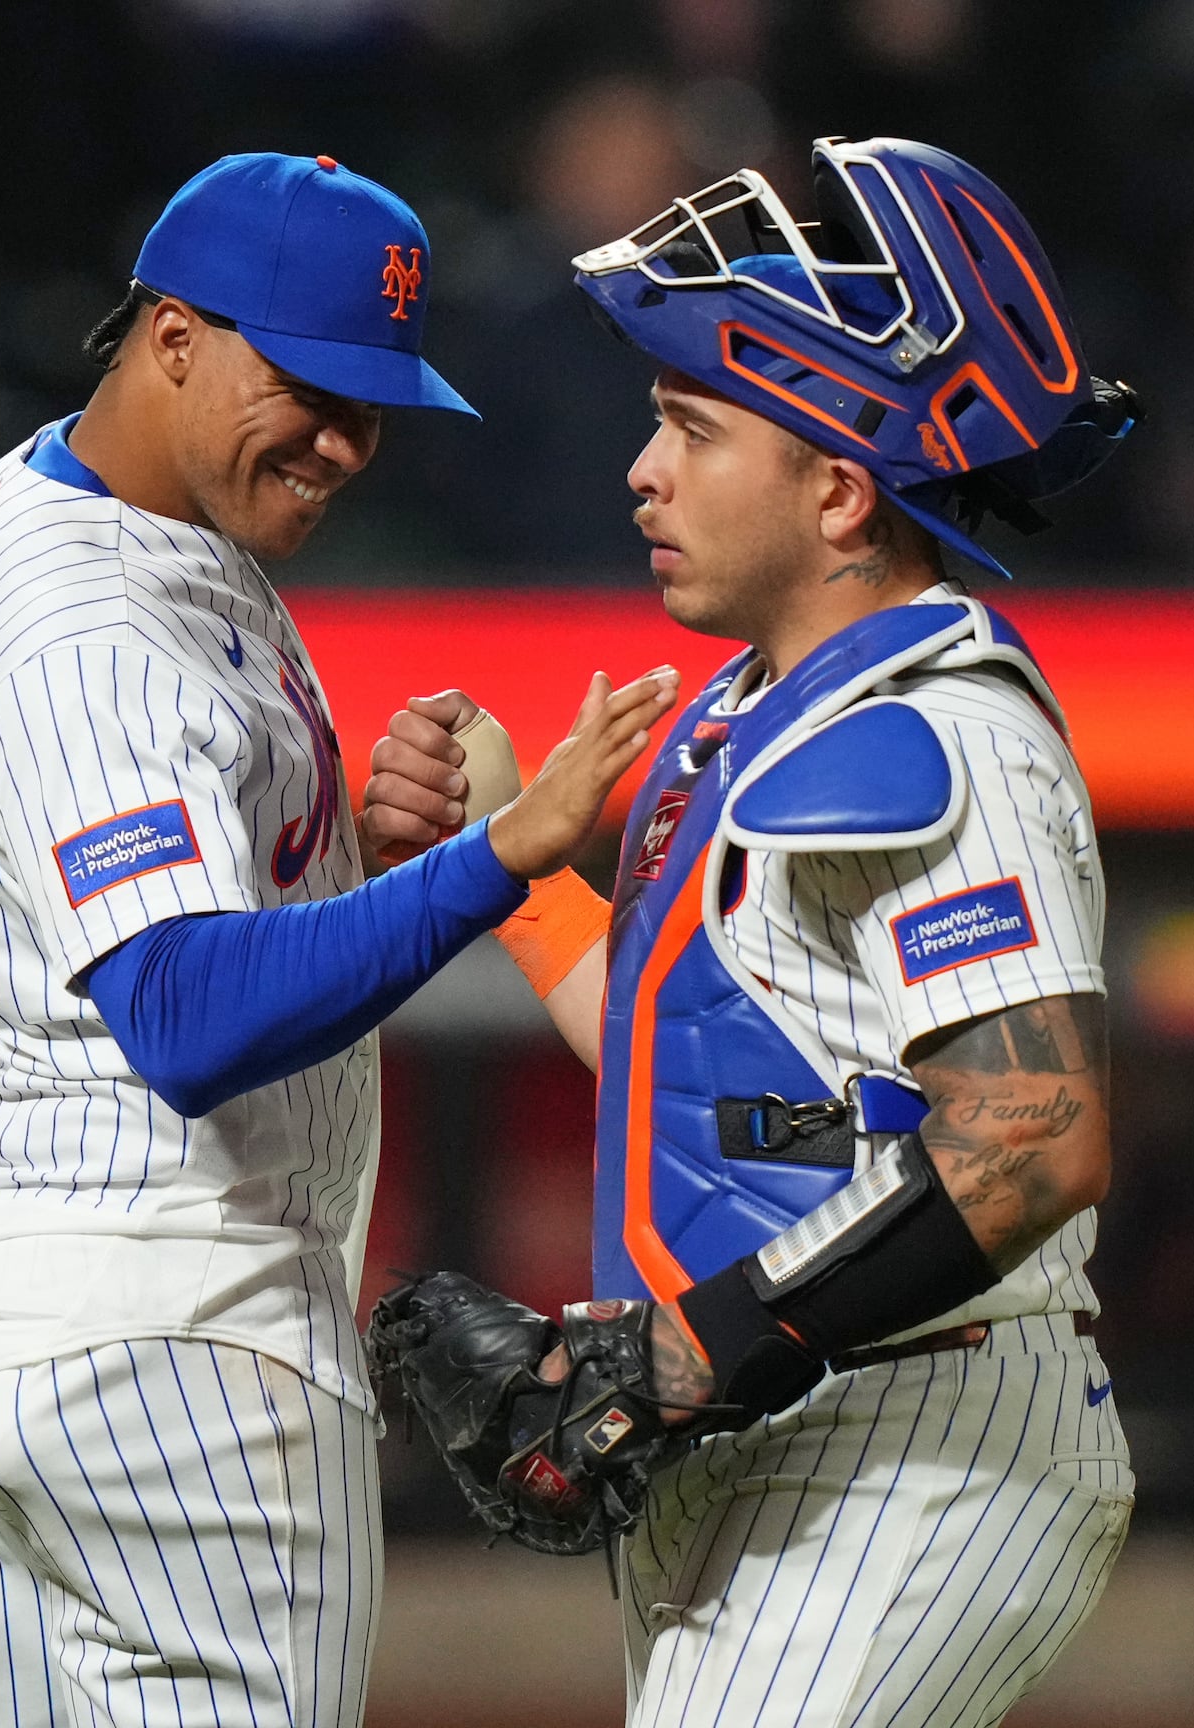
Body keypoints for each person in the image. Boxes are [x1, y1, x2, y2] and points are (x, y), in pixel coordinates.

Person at [0, 152, 677, 1728]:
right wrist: (506, 857)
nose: (345, 443)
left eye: (373, 406)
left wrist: (350, 859)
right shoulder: (91, 624)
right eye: (307, 387)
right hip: (161, 1351)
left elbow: (123, 914)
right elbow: (184, 1016)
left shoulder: (79, 501)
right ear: (172, 336)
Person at [365, 137, 1141, 1727]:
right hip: (779, 1426)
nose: (643, 471)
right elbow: (697, 1057)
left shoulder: (939, 728)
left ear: (842, 490)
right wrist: (511, 870)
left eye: (692, 428)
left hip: (915, 1438)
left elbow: (1035, 1139)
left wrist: (682, 1359)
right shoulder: (747, 719)